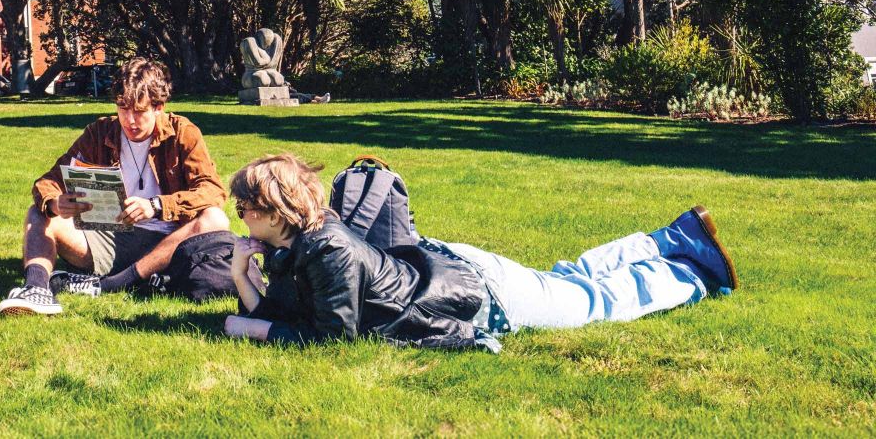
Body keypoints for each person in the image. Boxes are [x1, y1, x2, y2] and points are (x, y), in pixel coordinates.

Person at [222, 154, 738, 351]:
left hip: (474, 294)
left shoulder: (325, 249)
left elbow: (334, 337)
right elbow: (291, 311)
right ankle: (669, 240)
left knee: (591, 302)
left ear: (274, 211)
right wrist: (243, 276)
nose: (238, 214)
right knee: (567, 277)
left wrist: (255, 329)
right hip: (450, 267)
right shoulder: (297, 240)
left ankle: (692, 274)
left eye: (244, 205)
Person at [0, 58, 236, 316]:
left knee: (215, 218)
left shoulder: (183, 133)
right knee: (39, 211)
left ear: (159, 107)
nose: (130, 120)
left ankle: (115, 283)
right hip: (109, 237)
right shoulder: (101, 132)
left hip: (169, 242)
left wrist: (156, 206)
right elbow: (48, 181)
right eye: (123, 108)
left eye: (139, 111)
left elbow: (212, 190)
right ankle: (37, 289)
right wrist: (55, 202)